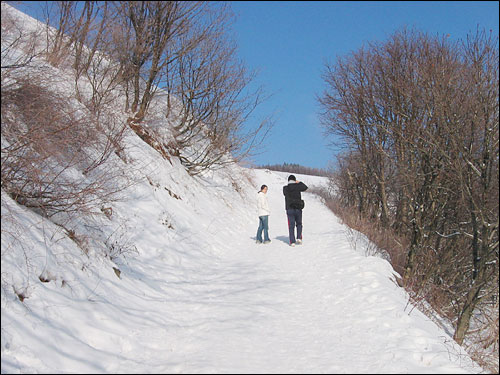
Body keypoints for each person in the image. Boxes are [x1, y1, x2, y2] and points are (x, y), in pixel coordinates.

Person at [283, 175, 308, 246]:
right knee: (299, 223)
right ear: (294, 180)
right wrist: (298, 182)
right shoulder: (297, 186)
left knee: (291, 226)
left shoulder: (285, 188)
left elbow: (285, 193)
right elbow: (305, 187)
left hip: (289, 209)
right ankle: (299, 238)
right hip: (298, 208)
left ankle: (292, 242)